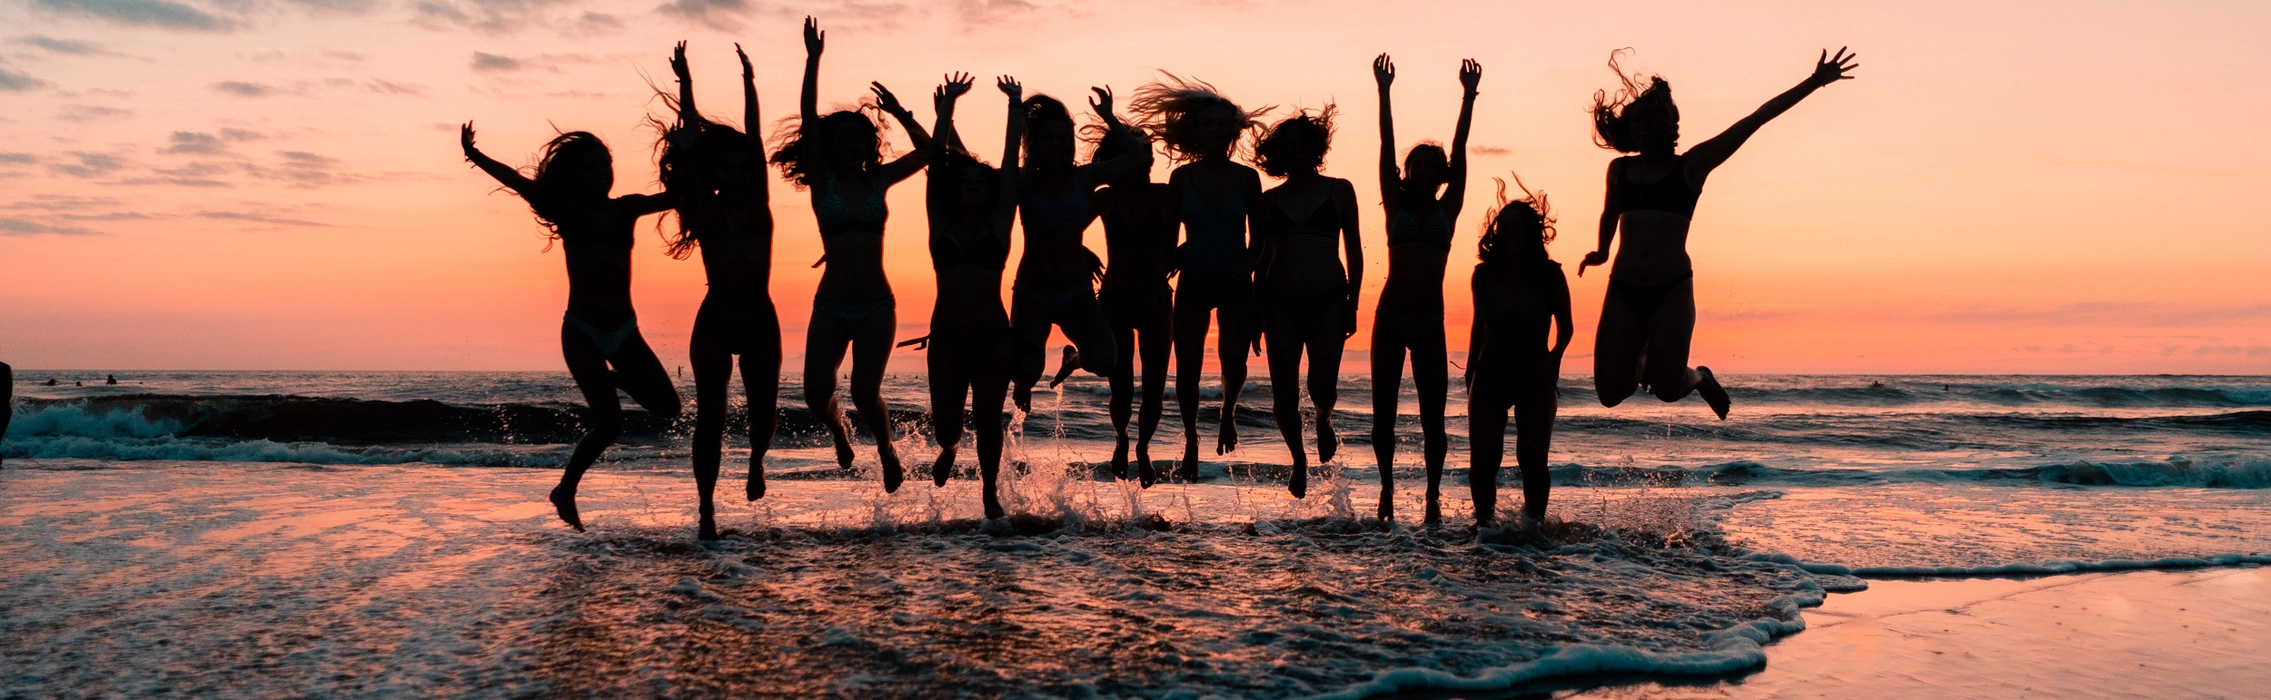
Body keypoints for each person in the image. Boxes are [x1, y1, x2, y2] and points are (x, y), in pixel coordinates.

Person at [1578, 48, 1859, 418]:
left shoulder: (1691, 167)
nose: (1650, 131)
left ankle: (1700, 378)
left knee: (1667, 389)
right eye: (1642, 125)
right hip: (1623, 289)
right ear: (1634, 130)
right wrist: (1601, 250)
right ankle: (1644, 363)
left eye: (1659, 123)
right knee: (1609, 393)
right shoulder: (1619, 171)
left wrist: (1814, 82)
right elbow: (1609, 212)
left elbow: (1756, 119)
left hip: (1671, 290)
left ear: (1672, 129)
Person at [460, 120, 681, 533]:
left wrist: (688, 152)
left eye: (605, 166)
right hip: (580, 330)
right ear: (574, 175)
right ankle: (565, 490)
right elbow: (518, 182)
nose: (601, 173)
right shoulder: (567, 210)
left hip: (625, 329)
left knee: (670, 407)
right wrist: (475, 156)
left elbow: (679, 196)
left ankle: (614, 380)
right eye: (591, 168)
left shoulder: (627, 208)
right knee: (610, 423)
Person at [773, 17, 933, 493]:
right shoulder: (823, 183)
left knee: (866, 391)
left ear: (868, 145)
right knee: (815, 392)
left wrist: (903, 113)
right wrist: (812, 60)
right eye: (840, 139)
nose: (849, 145)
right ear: (830, 146)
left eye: (857, 139)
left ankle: (885, 449)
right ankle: (839, 430)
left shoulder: (878, 181)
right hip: (831, 304)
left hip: (877, 305)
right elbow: (806, 117)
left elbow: (928, 152)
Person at [659, 41, 778, 540]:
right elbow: (689, 142)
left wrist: (750, 82)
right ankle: (706, 508)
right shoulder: (703, 208)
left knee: (763, 409)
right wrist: (686, 83)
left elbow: (754, 135)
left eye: (741, 168)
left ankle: (755, 461)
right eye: (725, 168)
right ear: (714, 173)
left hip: (759, 322)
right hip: (714, 321)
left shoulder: (760, 202)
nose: (735, 173)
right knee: (710, 416)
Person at [1128, 74, 1269, 483]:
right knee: (1186, 366)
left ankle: (1228, 414)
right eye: (1206, 123)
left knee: (1233, 360)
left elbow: (1259, 233)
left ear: (1230, 131)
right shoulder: (1182, 179)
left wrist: (1252, 262)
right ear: (1196, 129)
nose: (1212, 130)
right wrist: (1159, 278)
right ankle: (1191, 438)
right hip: (1193, 279)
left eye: (1219, 124)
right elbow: (1169, 237)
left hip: (1235, 280)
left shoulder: (1247, 178)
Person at [1369, 55, 1480, 523]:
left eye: (1433, 166)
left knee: (1433, 417)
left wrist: (1468, 97)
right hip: (1391, 317)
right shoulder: (1393, 201)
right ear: (1407, 170)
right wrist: (1384, 91)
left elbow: (1461, 149)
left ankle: (1433, 495)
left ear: (1442, 175)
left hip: (1430, 321)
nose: (1423, 170)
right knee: (1384, 415)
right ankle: (1388, 491)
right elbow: (1386, 143)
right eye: (1417, 164)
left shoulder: (1449, 207)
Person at [915, 73, 1023, 518]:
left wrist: (1015, 107)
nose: (975, 186)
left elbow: (1010, 162)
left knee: (988, 418)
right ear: (956, 188)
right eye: (968, 182)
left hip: (994, 336)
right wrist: (946, 111)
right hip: (946, 337)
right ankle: (948, 448)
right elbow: (936, 165)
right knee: (946, 426)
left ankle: (989, 493)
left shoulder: (1000, 223)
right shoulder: (939, 219)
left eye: (982, 181)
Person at [1005, 88, 1146, 412]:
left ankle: (1073, 357)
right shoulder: (1024, 181)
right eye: (1047, 137)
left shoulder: (1085, 177)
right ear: (1036, 142)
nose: (1055, 143)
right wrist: (1013, 111)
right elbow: (988, 165)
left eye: (1061, 137)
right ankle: (1023, 381)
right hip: (1032, 292)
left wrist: (1108, 116)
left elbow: (1139, 159)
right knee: (1026, 371)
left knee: (1106, 362)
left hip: (1075, 292)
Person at [1251, 107, 1362, 499]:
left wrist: (1353, 302)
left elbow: (1355, 251)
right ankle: (1298, 458)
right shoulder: (1267, 202)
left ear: (1315, 149)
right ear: (1279, 153)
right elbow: (1260, 262)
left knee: (1322, 386)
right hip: (1278, 301)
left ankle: (1323, 418)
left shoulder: (1339, 189)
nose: (1296, 151)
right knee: (1283, 391)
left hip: (1329, 299)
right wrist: (1254, 314)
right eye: (1288, 146)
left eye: (1303, 145)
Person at [1467, 176, 1570, 528]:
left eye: (1516, 227)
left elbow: (1566, 328)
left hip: (1535, 377)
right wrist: (1470, 372)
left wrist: (1552, 363)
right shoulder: (1483, 275)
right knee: (1484, 462)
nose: (1509, 232)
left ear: (1529, 232)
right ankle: (1484, 530)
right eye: (1503, 227)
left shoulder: (1551, 275)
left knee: (1532, 461)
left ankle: (1534, 530)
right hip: (1490, 374)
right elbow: (1478, 326)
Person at [1090, 106, 1174, 487]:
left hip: (1156, 301)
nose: (1144, 160)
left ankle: (1143, 446)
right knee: (1121, 388)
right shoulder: (1105, 199)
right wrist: (1079, 251)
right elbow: (1061, 228)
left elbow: (1191, 235)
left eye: (1146, 153)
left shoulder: (1167, 196)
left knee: (1154, 388)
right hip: (1114, 301)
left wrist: (1180, 258)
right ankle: (1123, 439)